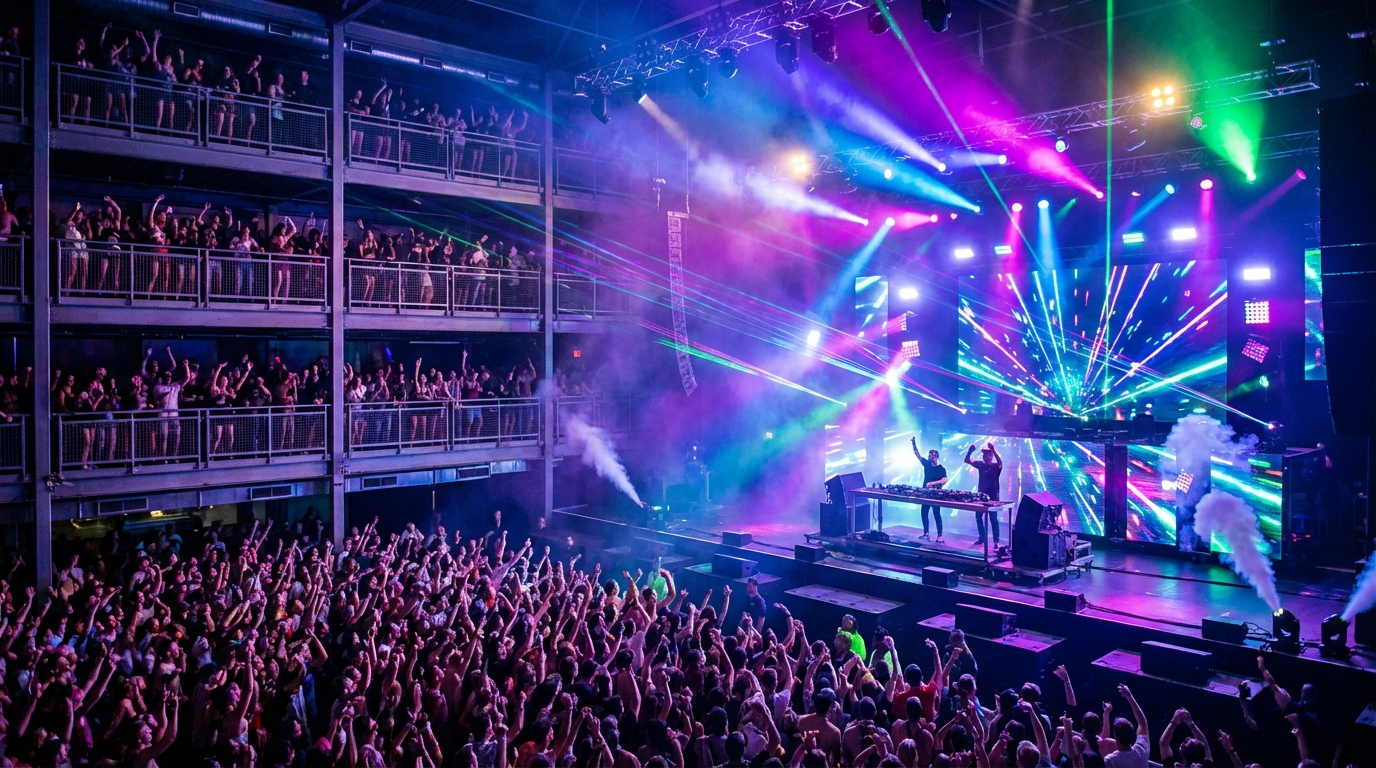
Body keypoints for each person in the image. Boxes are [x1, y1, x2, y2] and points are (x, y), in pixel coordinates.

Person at [965, 441, 1004, 547]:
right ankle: (982, 537)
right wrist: (970, 451)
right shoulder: (981, 465)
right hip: (981, 496)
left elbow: (1000, 462)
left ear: (991, 456)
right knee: (978, 516)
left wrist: (994, 450)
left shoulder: (996, 466)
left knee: (993, 519)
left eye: (989, 455)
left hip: (993, 497)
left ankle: (996, 542)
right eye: (985, 455)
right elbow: (967, 460)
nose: (987, 457)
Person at [1105, 683, 1151, 767]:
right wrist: (1130, 697)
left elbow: (1143, 724)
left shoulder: (1111, 760)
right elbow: (1143, 724)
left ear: (1116, 738)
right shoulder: (1141, 750)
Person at [912, 437, 949, 542]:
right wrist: (914, 443)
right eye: (928, 455)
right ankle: (926, 533)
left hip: (936, 495)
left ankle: (939, 536)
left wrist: (932, 483)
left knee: (937, 514)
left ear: (936, 457)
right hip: (925, 494)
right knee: (924, 512)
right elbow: (917, 454)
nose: (929, 457)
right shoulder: (927, 465)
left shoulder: (941, 469)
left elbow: (944, 480)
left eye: (931, 455)